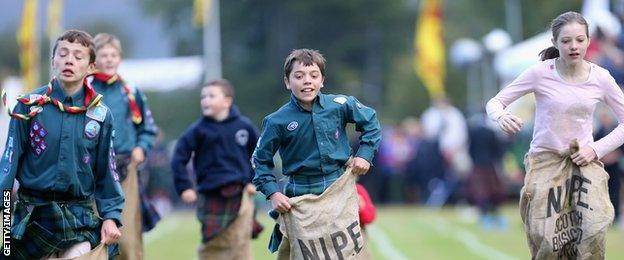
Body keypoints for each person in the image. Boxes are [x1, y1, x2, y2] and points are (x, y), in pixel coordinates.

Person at [486, 11, 623, 259]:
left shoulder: (601, 78)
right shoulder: (539, 73)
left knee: (592, 229)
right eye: (566, 41)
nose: (574, 46)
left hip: (584, 162)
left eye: (580, 40)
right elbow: (495, 103)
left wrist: (596, 149)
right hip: (545, 162)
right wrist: (501, 116)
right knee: (549, 239)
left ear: (589, 41)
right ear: (555, 43)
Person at [0, 29, 124, 259]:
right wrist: (5, 217)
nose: (69, 60)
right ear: (53, 61)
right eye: (63, 54)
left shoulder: (100, 114)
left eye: (78, 56)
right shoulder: (27, 106)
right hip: (31, 213)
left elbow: (107, 172)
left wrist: (111, 217)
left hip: (79, 215)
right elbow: (8, 164)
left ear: (91, 68)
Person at [252, 48, 381, 256]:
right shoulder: (276, 120)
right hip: (300, 196)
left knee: (347, 253)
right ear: (287, 82)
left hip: (339, 189)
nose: (307, 81)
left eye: (314, 76)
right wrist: (273, 193)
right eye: (299, 76)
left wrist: (364, 155)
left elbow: (371, 123)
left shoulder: (340, 105)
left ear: (322, 80)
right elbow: (260, 160)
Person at [171, 79, 259, 260]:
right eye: (203, 97)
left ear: (227, 101)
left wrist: (253, 180)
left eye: (211, 96)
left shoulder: (244, 126)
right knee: (213, 244)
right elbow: (179, 158)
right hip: (209, 195)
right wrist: (185, 187)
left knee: (240, 242)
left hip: (241, 193)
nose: (205, 100)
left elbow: (259, 155)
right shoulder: (197, 130)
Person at [91, 33, 159, 260]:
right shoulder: (85, 90)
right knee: (93, 236)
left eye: (114, 55)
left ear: (119, 58)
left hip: (126, 169)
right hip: (91, 171)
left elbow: (148, 128)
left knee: (127, 237)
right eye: (103, 55)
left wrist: (141, 147)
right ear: (94, 59)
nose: (109, 60)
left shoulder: (131, 92)